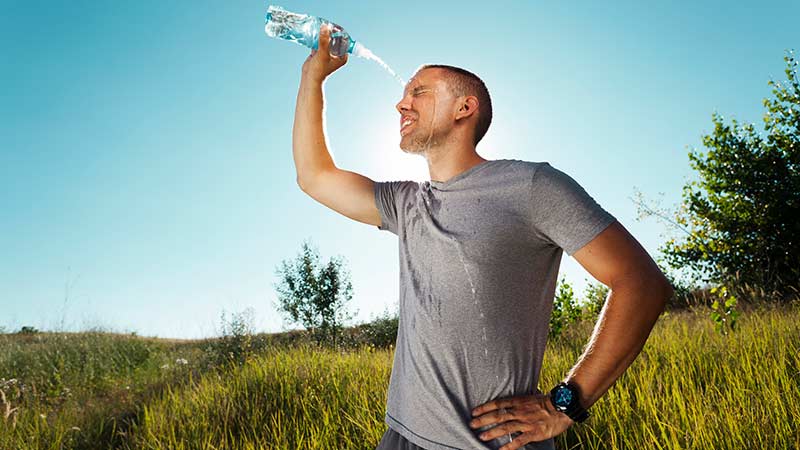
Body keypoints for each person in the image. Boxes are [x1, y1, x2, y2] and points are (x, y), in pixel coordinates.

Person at [293, 24, 674, 450]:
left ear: (464, 107)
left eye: (418, 91)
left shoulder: (531, 186)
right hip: (401, 437)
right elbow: (314, 177)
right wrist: (314, 75)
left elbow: (642, 283)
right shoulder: (407, 203)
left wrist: (565, 403)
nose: (402, 103)